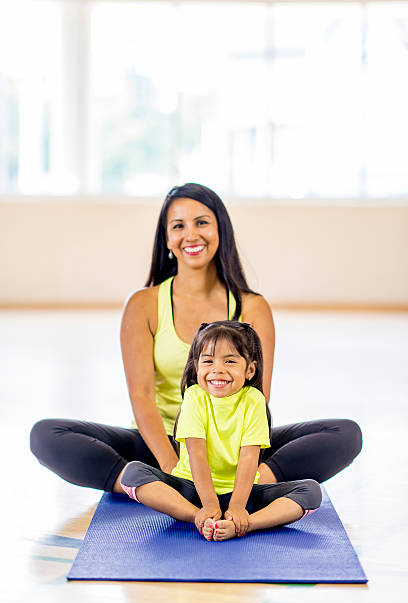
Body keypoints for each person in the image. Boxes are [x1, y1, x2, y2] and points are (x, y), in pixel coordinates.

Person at [30, 182, 362, 494]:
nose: (191, 234)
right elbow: (141, 395)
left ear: (220, 231)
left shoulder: (252, 307)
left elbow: (258, 395)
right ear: (167, 239)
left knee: (345, 434)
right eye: (178, 226)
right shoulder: (143, 305)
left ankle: (242, 486)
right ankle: (157, 486)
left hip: (231, 446)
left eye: (202, 222)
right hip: (160, 443)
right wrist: (171, 465)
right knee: (46, 435)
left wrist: (245, 465)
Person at [120, 321, 322, 541]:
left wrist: (237, 506)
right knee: (133, 473)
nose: (217, 369)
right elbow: (197, 455)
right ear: (197, 367)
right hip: (191, 490)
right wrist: (207, 506)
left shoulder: (254, 400)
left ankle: (245, 525)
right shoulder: (194, 397)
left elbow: (248, 457)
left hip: (242, 494)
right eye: (208, 361)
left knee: (310, 491)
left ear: (250, 370)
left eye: (230, 361)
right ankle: (197, 517)